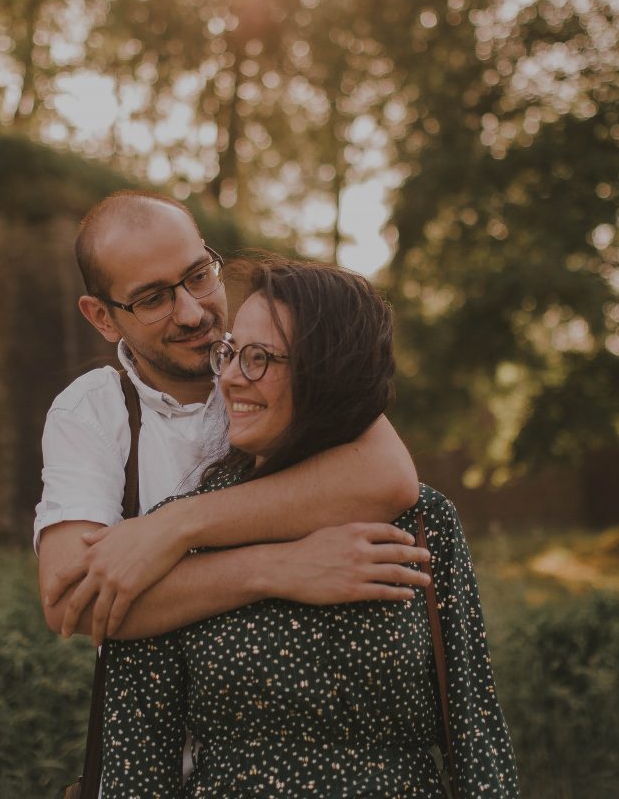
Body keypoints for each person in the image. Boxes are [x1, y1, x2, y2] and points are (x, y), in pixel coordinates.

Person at [99, 259, 522, 797]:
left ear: (329, 373)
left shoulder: (422, 521)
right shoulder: (177, 531)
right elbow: (136, 766)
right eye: (230, 353)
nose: (228, 377)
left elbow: (475, 733)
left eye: (259, 359)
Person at [36, 191, 428, 651]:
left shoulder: (281, 365)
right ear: (102, 316)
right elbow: (72, 601)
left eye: (199, 276)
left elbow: (387, 476)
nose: (192, 312)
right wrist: (273, 568)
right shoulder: (89, 412)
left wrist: (175, 527)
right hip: (162, 716)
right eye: (153, 299)